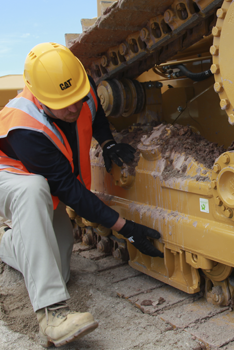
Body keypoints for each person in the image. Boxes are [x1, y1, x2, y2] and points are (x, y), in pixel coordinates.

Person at [0, 42, 163, 348]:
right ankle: (51, 316)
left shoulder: (79, 91)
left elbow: (95, 114)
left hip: (41, 186)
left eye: (77, 97)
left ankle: (6, 242)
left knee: (57, 272)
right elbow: (68, 189)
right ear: (41, 99)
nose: (75, 107)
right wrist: (126, 229)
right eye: (65, 104)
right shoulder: (26, 127)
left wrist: (108, 143)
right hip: (8, 179)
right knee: (32, 187)